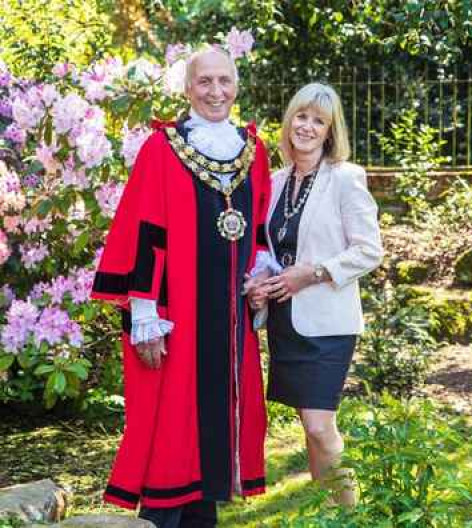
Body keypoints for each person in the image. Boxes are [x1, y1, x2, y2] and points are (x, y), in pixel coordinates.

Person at [91, 46, 271, 528]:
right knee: (169, 428)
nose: (216, 92)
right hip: (179, 314)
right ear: (188, 88)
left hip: (229, 318)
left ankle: (200, 518)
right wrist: (144, 312)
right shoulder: (163, 148)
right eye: (205, 82)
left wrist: (260, 277)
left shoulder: (253, 151)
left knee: (214, 433)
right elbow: (144, 230)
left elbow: (257, 230)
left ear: (237, 86)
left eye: (224, 81)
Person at [245, 82, 383, 506]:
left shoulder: (345, 178)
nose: (307, 126)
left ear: (330, 131)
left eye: (318, 121)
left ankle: (351, 513)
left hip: (328, 323)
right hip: (286, 321)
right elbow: (271, 249)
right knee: (310, 426)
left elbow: (369, 250)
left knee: (322, 426)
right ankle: (331, 514)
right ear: (289, 122)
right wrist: (260, 285)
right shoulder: (274, 181)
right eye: (301, 117)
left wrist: (315, 273)